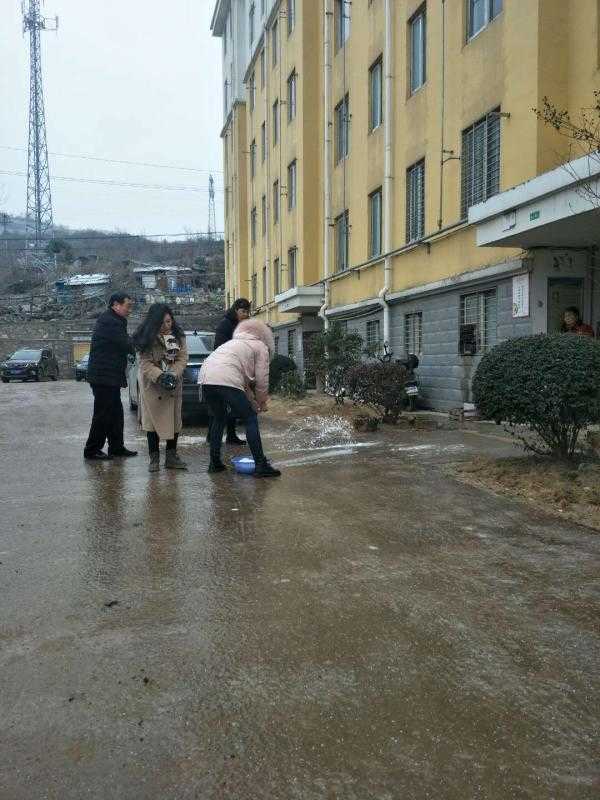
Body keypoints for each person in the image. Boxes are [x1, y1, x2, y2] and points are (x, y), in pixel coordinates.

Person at [199, 318, 281, 477]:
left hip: (206, 377)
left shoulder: (233, 343)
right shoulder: (260, 346)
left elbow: (242, 383)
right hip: (225, 378)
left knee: (219, 418)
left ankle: (214, 463)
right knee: (250, 418)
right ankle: (260, 465)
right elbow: (262, 379)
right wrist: (262, 402)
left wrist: (253, 401)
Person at [133, 304, 189, 472]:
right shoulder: (145, 338)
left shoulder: (178, 336)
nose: (167, 325)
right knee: (151, 423)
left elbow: (182, 358)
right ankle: (154, 458)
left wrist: (173, 374)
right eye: (162, 323)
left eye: (169, 321)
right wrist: (160, 376)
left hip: (173, 384)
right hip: (152, 385)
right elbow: (145, 363)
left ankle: (171, 457)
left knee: (174, 421)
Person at [84, 292, 138, 461]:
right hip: (103, 377)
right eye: (127, 306)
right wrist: (142, 340)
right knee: (103, 414)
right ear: (116, 305)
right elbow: (126, 344)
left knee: (115, 413)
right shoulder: (110, 322)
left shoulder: (115, 320)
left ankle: (116, 447)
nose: (129, 310)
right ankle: (92, 450)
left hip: (109, 376)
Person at [206, 298, 252, 445]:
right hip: (222, 368)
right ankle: (211, 436)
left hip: (235, 367)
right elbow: (219, 347)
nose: (245, 314)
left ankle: (231, 435)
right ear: (236, 310)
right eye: (243, 311)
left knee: (232, 404)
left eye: (247, 312)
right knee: (219, 406)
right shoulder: (225, 324)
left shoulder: (242, 325)